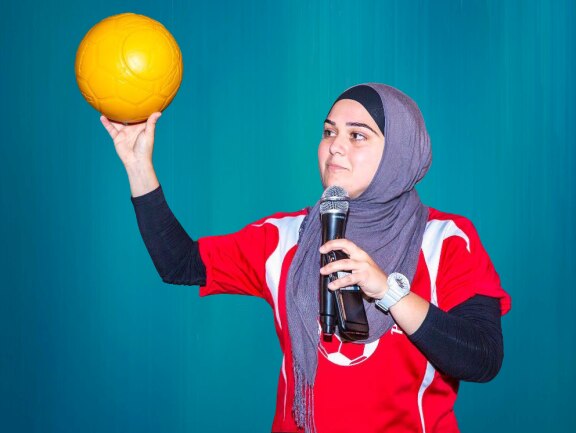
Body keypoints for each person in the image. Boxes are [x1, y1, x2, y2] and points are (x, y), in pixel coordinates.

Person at [101, 83, 512, 433]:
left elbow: (482, 358)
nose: (335, 147)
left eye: (358, 135)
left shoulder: (445, 241)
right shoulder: (285, 238)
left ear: (400, 151)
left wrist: (388, 291)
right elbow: (180, 263)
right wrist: (139, 167)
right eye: (329, 131)